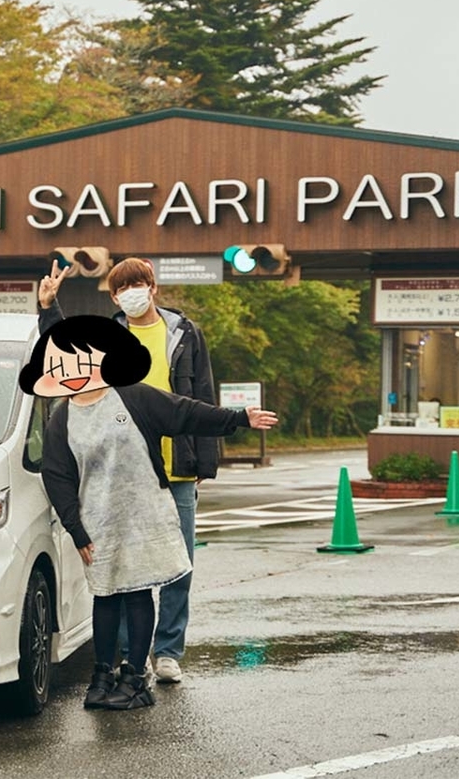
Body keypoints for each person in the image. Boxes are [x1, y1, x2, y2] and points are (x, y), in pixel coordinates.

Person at [20, 316, 277, 711]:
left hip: (144, 516)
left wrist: (240, 418)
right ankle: (103, 673)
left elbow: (188, 413)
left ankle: (136, 677)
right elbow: (58, 478)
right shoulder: (61, 420)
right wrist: (76, 530)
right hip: (97, 523)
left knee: (138, 594)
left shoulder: (135, 397)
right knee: (104, 598)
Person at [38, 256, 217, 684]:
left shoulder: (184, 333)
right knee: (118, 567)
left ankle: (168, 651)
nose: (131, 294)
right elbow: (67, 353)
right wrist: (49, 308)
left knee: (178, 563)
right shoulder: (109, 336)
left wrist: (204, 463)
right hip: (121, 469)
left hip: (176, 466)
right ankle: (123, 654)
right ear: (114, 297)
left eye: (137, 285)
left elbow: (203, 396)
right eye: (121, 289)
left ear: (152, 287)